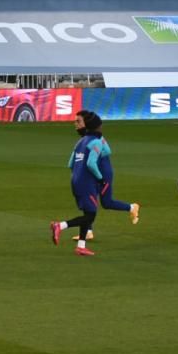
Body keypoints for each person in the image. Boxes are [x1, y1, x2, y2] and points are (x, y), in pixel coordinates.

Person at [76, 111, 140, 242]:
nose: (76, 124)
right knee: (89, 199)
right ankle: (88, 231)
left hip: (103, 171)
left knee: (106, 202)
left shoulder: (97, 138)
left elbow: (107, 150)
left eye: (79, 121)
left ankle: (132, 207)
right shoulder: (88, 137)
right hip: (94, 170)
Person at [50, 110, 106, 257]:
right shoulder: (96, 142)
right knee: (90, 216)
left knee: (87, 213)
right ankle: (60, 225)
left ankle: (81, 246)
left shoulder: (80, 142)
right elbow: (91, 164)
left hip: (76, 180)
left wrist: (78, 176)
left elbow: (70, 164)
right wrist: (100, 178)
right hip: (86, 183)